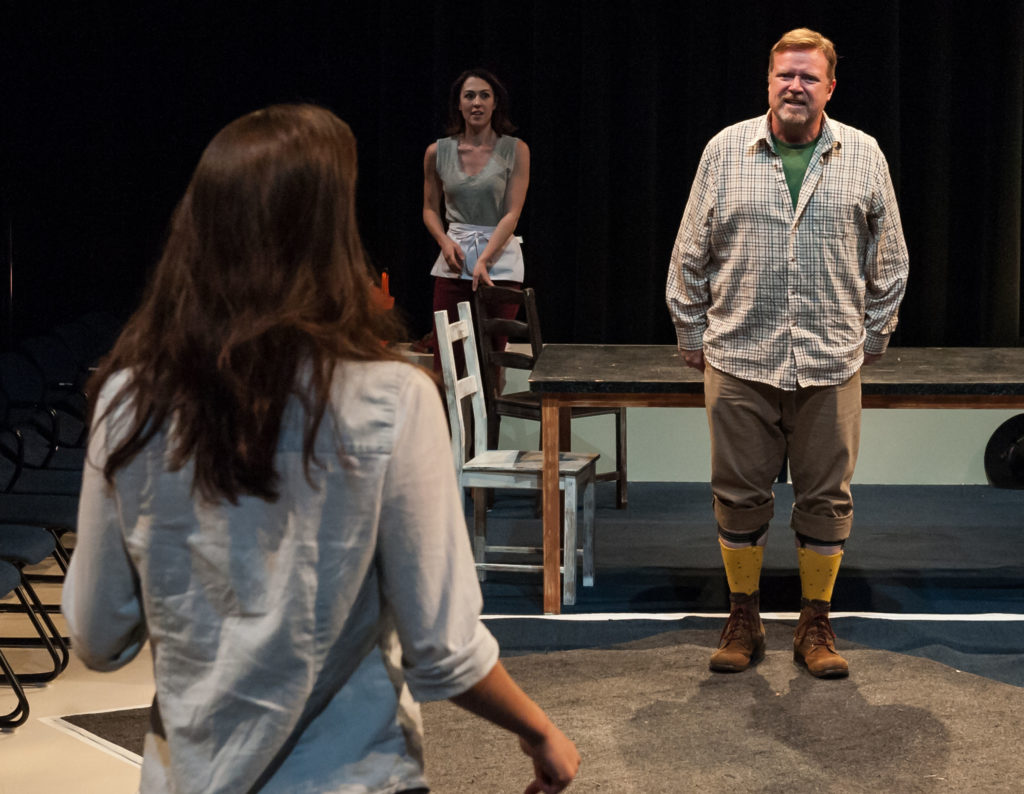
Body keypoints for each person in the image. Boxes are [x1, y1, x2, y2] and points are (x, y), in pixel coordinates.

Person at [62, 104, 579, 794]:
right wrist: (540, 733)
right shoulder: (392, 400)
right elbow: (444, 651)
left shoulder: (129, 397)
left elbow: (98, 635)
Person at [665, 29, 909, 678]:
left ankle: (814, 623)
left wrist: (873, 337)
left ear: (830, 87)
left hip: (831, 363)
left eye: (808, 77)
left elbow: (890, 260)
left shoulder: (863, 154)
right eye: (784, 76)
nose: (794, 86)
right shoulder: (725, 150)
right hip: (741, 358)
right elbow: (690, 251)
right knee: (739, 496)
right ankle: (742, 614)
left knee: (826, 499)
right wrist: (692, 333)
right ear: (768, 83)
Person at [423, 68, 530, 374]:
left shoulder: (516, 150)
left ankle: (489, 422)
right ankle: (450, 423)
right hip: (454, 260)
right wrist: (444, 242)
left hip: (499, 263)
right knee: (449, 360)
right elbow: (429, 209)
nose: (477, 102)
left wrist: (484, 259)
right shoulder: (437, 152)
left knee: (491, 360)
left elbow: (512, 213)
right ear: (458, 104)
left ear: (496, 103)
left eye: (485, 95)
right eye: (469, 96)